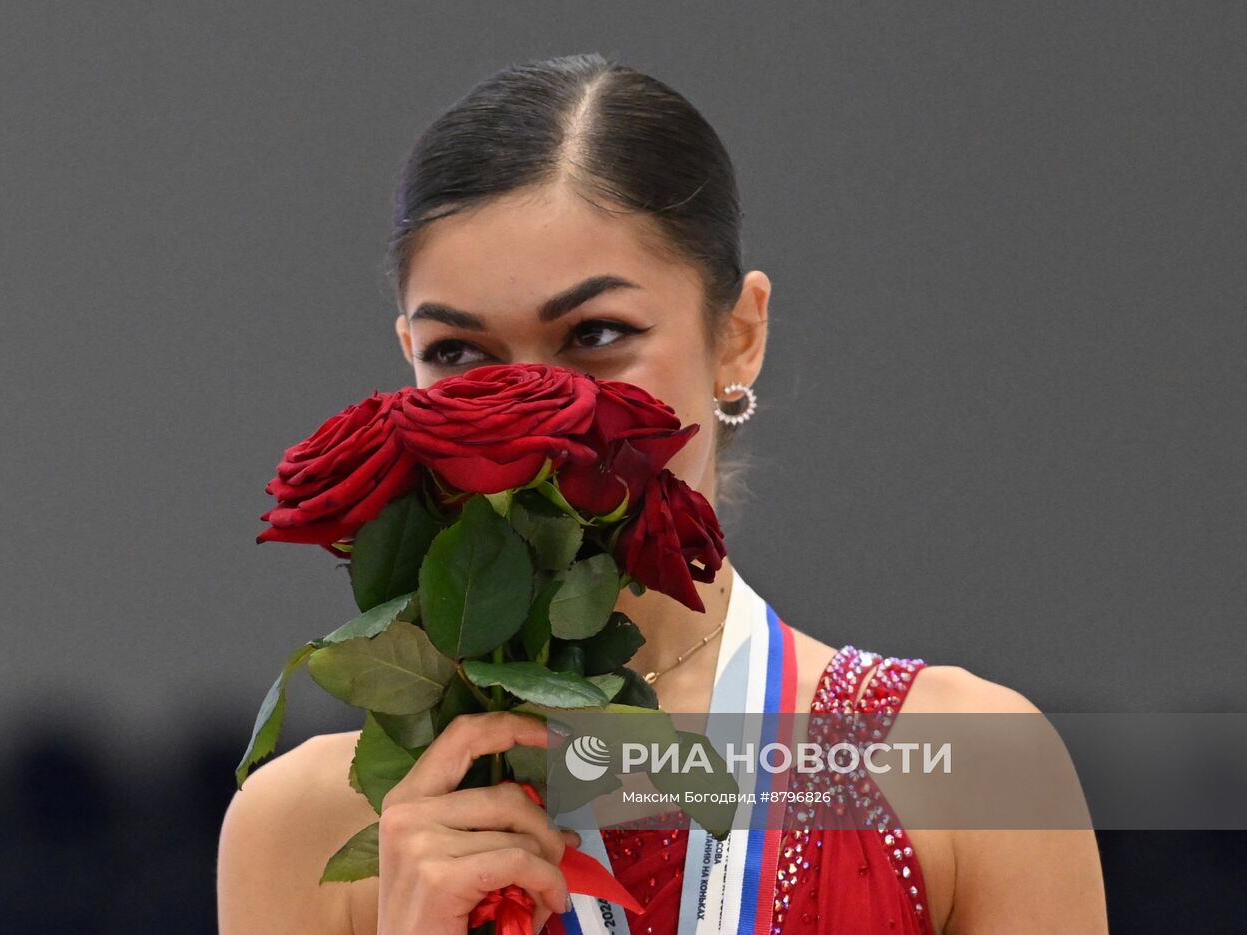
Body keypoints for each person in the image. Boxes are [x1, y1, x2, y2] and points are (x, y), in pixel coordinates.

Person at [216, 53, 1108, 934]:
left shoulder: (974, 769)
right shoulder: (307, 826)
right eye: (458, 353)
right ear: (407, 356)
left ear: (739, 335)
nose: (540, 418)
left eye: (596, 334)